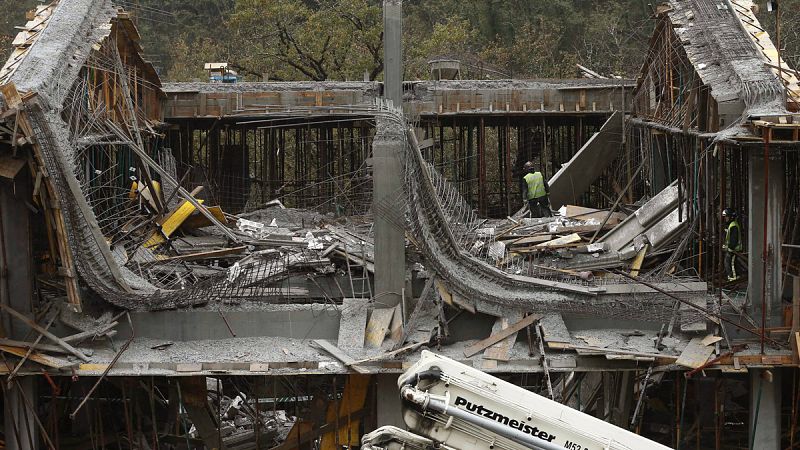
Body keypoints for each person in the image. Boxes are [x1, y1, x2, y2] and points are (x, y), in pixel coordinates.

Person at [722, 208, 744, 282]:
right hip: (731, 249)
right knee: (729, 262)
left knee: (731, 263)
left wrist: (730, 247)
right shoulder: (731, 225)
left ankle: (733, 278)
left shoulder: (733, 225)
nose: (725, 218)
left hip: (734, 249)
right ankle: (732, 277)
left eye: (726, 217)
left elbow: (734, 239)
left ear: (731, 217)